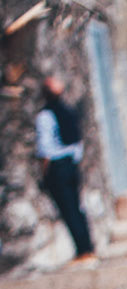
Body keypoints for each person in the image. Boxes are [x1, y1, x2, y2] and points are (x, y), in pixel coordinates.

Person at [34, 75, 94, 261]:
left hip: (57, 167)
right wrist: (74, 163)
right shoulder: (69, 112)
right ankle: (87, 247)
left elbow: (45, 150)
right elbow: (78, 143)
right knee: (76, 207)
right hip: (71, 164)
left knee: (69, 210)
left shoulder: (44, 116)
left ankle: (83, 251)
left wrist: (44, 174)